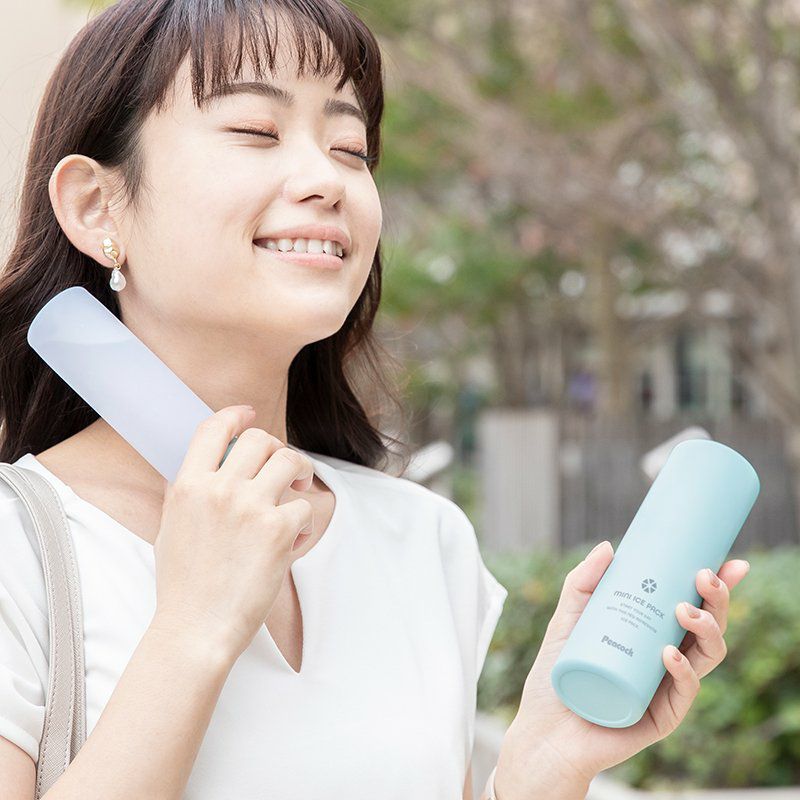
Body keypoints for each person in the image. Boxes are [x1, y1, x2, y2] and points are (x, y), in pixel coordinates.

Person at [0, 1, 750, 799]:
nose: (327, 180)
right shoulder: (20, 546)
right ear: (96, 206)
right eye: (256, 130)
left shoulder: (422, 539)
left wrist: (541, 769)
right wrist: (193, 628)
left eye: (350, 147)